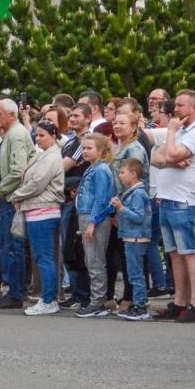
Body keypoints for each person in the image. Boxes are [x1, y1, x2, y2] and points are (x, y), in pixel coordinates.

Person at [150, 90, 195, 323]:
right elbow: (156, 158)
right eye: (175, 105)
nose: (175, 110)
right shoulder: (182, 131)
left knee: (190, 253)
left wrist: (171, 137)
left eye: (180, 105)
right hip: (167, 198)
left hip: (185, 201)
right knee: (174, 254)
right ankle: (179, 301)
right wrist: (172, 160)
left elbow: (174, 152)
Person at [13, 119, 67, 315]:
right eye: (37, 134)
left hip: (43, 211)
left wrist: (17, 195)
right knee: (43, 257)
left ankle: (49, 299)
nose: (38, 138)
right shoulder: (43, 155)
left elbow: (38, 182)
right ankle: (48, 297)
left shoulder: (52, 157)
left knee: (45, 258)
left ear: (53, 137)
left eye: (43, 135)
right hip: (37, 210)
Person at [0, 99, 32, 310]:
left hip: (9, 199)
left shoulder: (16, 135)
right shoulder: (11, 134)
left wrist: (2, 189)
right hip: (6, 199)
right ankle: (13, 290)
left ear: (12, 115)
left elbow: (18, 169)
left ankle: (15, 292)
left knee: (12, 246)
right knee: (7, 244)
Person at [74, 133, 116, 317]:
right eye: (83, 148)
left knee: (95, 260)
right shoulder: (93, 168)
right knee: (90, 259)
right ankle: (96, 299)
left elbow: (101, 198)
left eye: (89, 148)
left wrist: (92, 222)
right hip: (86, 216)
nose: (85, 151)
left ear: (100, 151)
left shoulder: (101, 170)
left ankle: (97, 302)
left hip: (95, 218)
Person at [111, 157, 153, 320]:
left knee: (136, 274)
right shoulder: (134, 192)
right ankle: (138, 303)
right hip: (131, 236)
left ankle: (140, 305)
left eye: (122, 172)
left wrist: (121, 209)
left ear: (133, 174)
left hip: (135, 238)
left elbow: (138, 217)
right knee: (134, 272)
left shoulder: (137, 193)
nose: (120, 176)